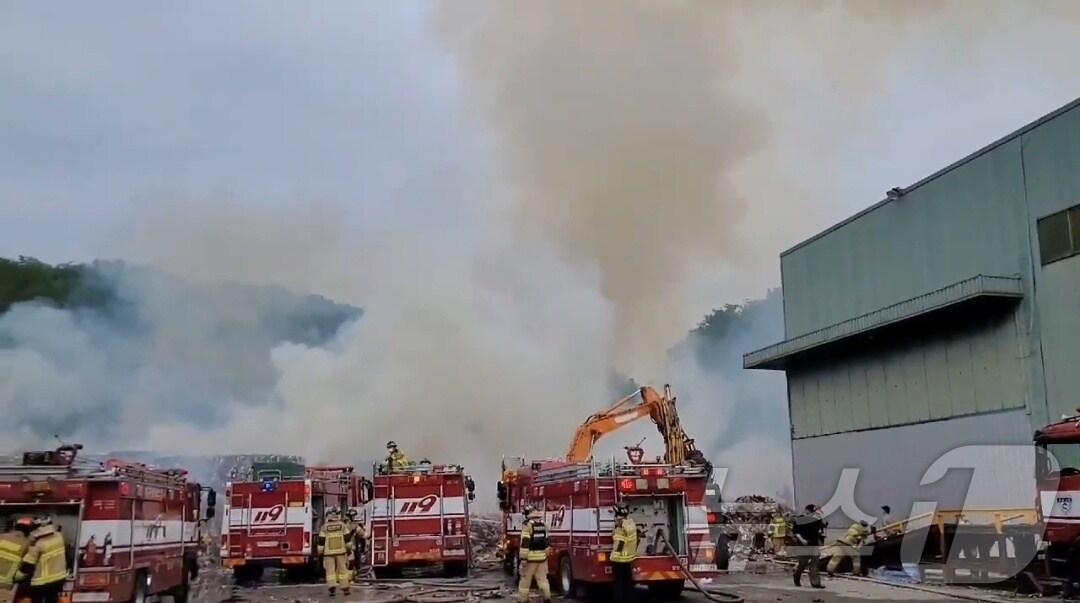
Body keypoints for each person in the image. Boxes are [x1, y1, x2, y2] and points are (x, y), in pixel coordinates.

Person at [20, 517, 67, 603]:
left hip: (41, 582)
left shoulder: (38, 544)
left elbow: (27, 566)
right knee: (52, 599)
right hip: (59, 579)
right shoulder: (59, 537)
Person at [517, 506, 551, 603]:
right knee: (543, 580)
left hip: (530, 559)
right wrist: (545, 554)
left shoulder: (528, 526)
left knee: (525, 581)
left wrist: (523, 558)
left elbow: (525, 543)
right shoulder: (544, 525)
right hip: (542, 559)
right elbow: (547, 542)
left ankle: (522, 600)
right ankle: (547, 598)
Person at [318, 510, 352, 597]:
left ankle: (332, 588)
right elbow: (347, 538)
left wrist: (320, 551)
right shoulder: (342, 525)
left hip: (328, 553)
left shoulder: (324, 527)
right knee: (343, 570)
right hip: (341, 551)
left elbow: (321, 540)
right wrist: (349, 548)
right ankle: (345, 588)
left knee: (330, 571)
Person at [791, 504, 825, 589]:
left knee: (815, 564)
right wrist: (802, 540)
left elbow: (824, 524)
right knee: (803, 563)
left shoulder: (815, 520)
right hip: (803, 544)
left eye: (813, 512)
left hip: (814, 543)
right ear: (806, 510)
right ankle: (797, 575)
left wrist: (821, 514)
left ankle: (815, 583)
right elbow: (796, 532)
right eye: (811, 512)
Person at [0, 518, 33, 603]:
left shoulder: (1, 537)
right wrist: (17, 577)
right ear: (29, 531)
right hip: (6, 584)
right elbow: (26, 567)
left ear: (15, 527)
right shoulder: (27, 544)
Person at [611, 504, 638, 603]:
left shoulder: (621, 528)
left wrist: (613, 557)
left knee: (619, 586)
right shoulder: (631, 524)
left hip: (619, 561)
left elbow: (619, 544)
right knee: (628, 584)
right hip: (628, 560)